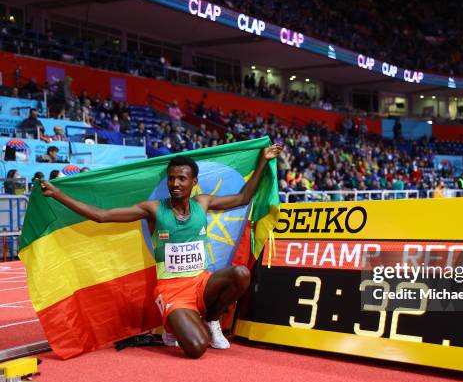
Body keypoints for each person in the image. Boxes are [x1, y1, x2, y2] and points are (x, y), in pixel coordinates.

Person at [40, 145, 282, 358]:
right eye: (171, 178)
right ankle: (171, 324)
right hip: (173, 291)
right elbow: (102, 216)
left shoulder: (203, 203)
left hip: (201, 282)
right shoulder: (154, 209)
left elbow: (243, 196)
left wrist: (263, 160)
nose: (175, 184)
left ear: (193, 182)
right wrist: (59, 194)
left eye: (182, 179)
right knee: (197, 348)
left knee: (241, 274)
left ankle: (211, 319)